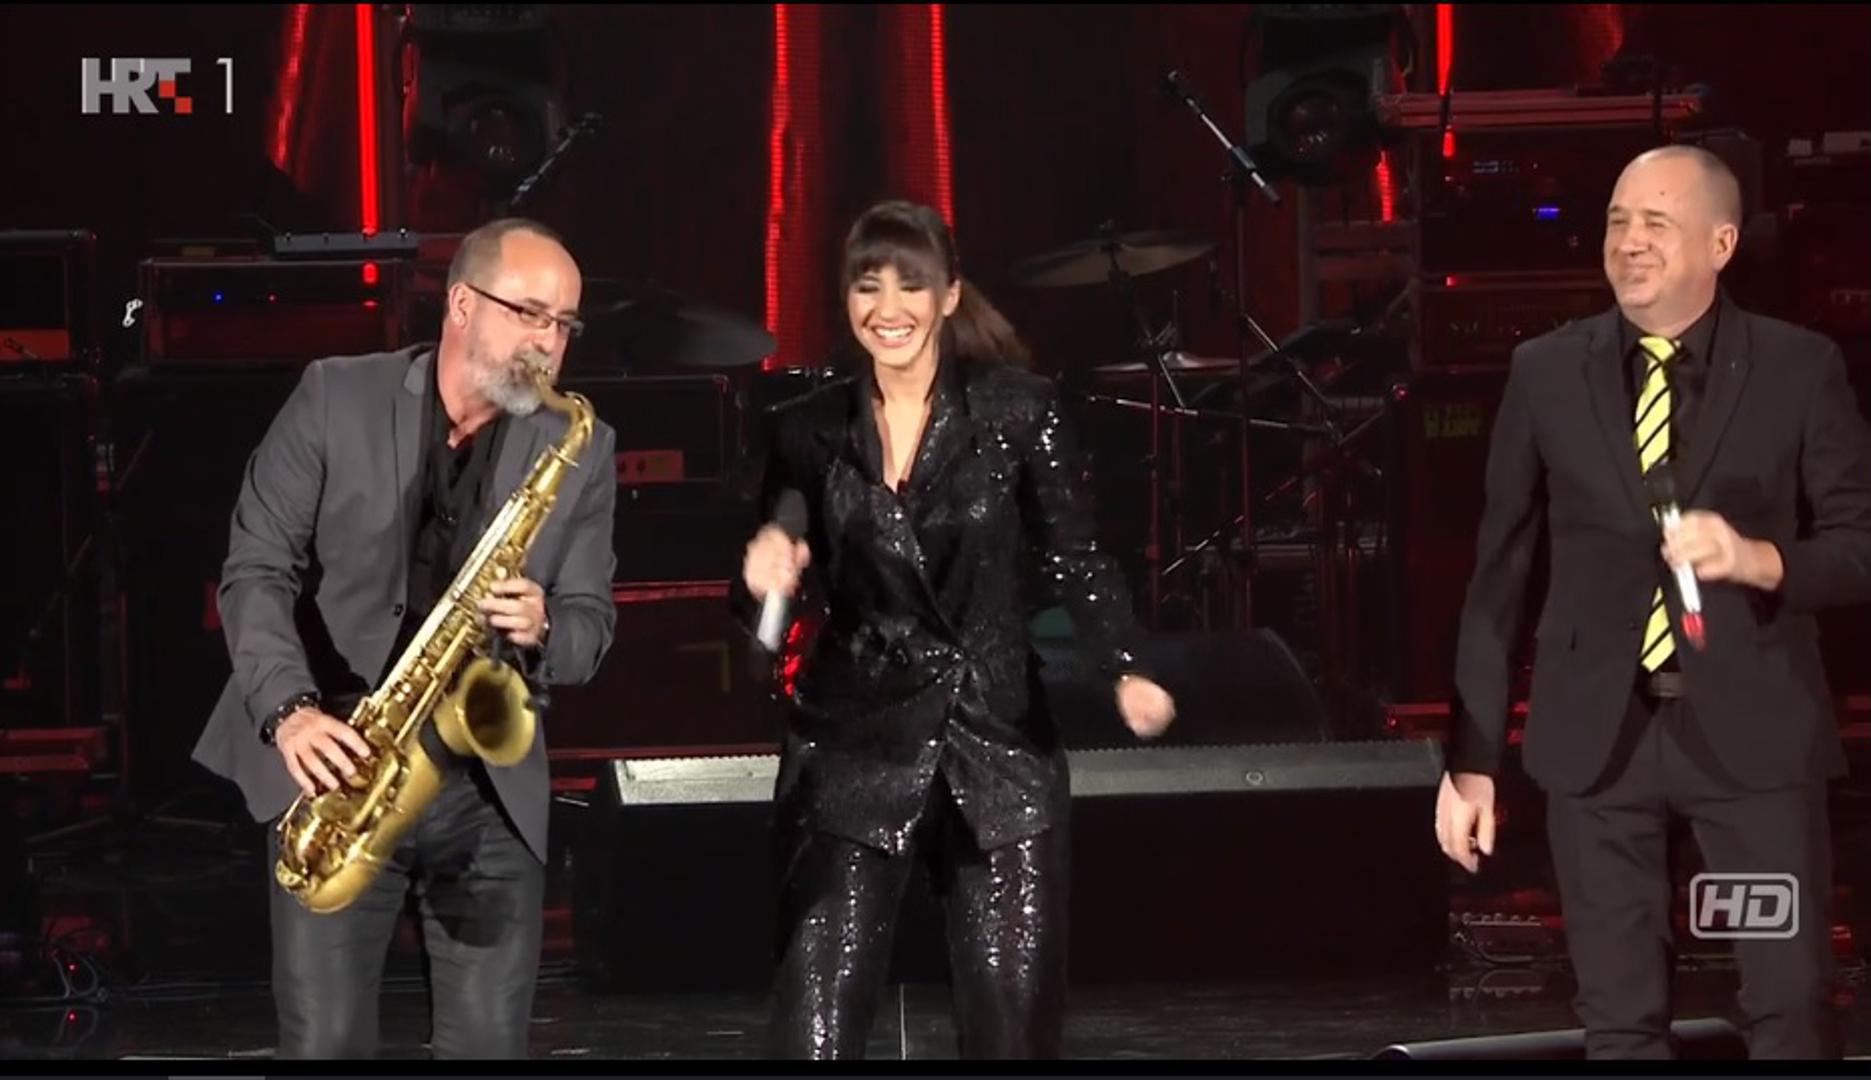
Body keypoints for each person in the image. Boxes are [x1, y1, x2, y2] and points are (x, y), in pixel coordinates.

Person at [1436, 145, 1871, 1058]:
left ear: (1720, 244)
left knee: (1789, 1004)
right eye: (1617, 222)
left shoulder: (1797, 368)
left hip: (1753, 738)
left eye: (1655, 224)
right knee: (1618, 1020)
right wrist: (1471, 761)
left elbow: (1858, 545)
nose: (1628, 242)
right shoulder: (1547, 371)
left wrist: (1757, 559)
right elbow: (1498, 577)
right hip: (1598, 744)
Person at [737, 200, 1177, 1059]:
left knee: (1011, 1029)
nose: (887, 308)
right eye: (867, 287)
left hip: (995, 742)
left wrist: (1126, 664)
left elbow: (1075, 554)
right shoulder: (809, 429)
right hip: (854, 741)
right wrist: (761, 571)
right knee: (812, 1028)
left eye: (910, 285)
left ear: (947, 295)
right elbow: (769, 563)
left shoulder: (1018, 412)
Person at [192, 218, 619, 1058]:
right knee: (328, 1047)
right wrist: (291, 713)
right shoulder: (334, 395)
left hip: (485, 785)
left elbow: (590, 627)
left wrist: (544, 625)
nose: (549, 341)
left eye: (565, 323)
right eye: (530, 314)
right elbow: (254, 569)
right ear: (461, 304)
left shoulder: (580, 444)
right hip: (339, 762)